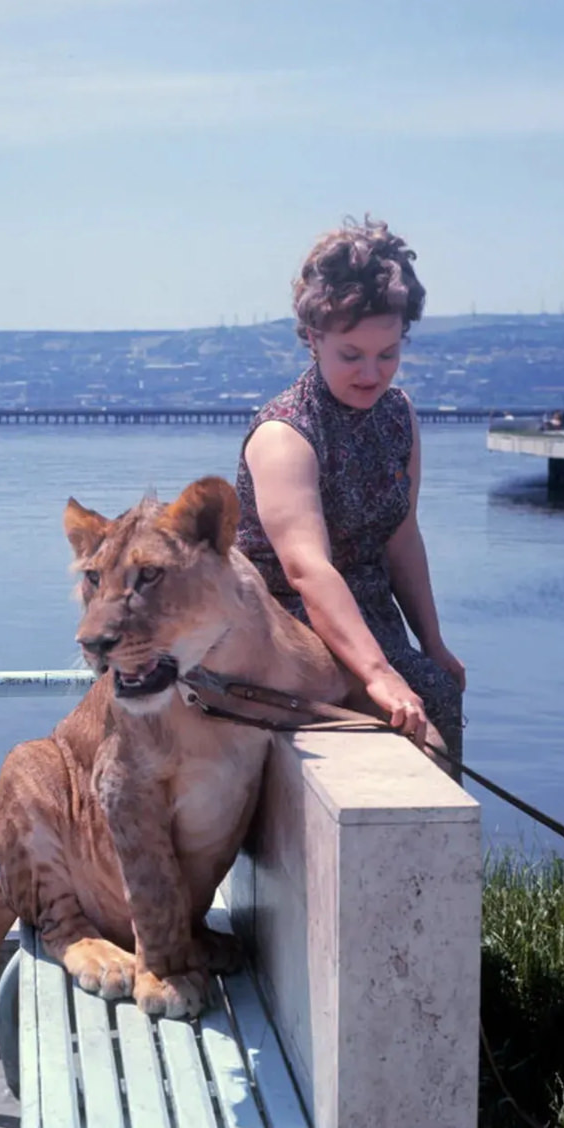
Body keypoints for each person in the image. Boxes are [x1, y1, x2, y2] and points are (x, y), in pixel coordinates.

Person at [234, 215, 465, 767]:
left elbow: (402, 537)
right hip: (289, 637)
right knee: (413, 727)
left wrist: (431, 644)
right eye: (352, 355)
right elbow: (306, 570)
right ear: (314, 339)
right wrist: (381, 676)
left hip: (373, 622)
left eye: (387, 353)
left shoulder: (398, 415)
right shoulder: (285, 435)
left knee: (438, 687)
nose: (371, 373)